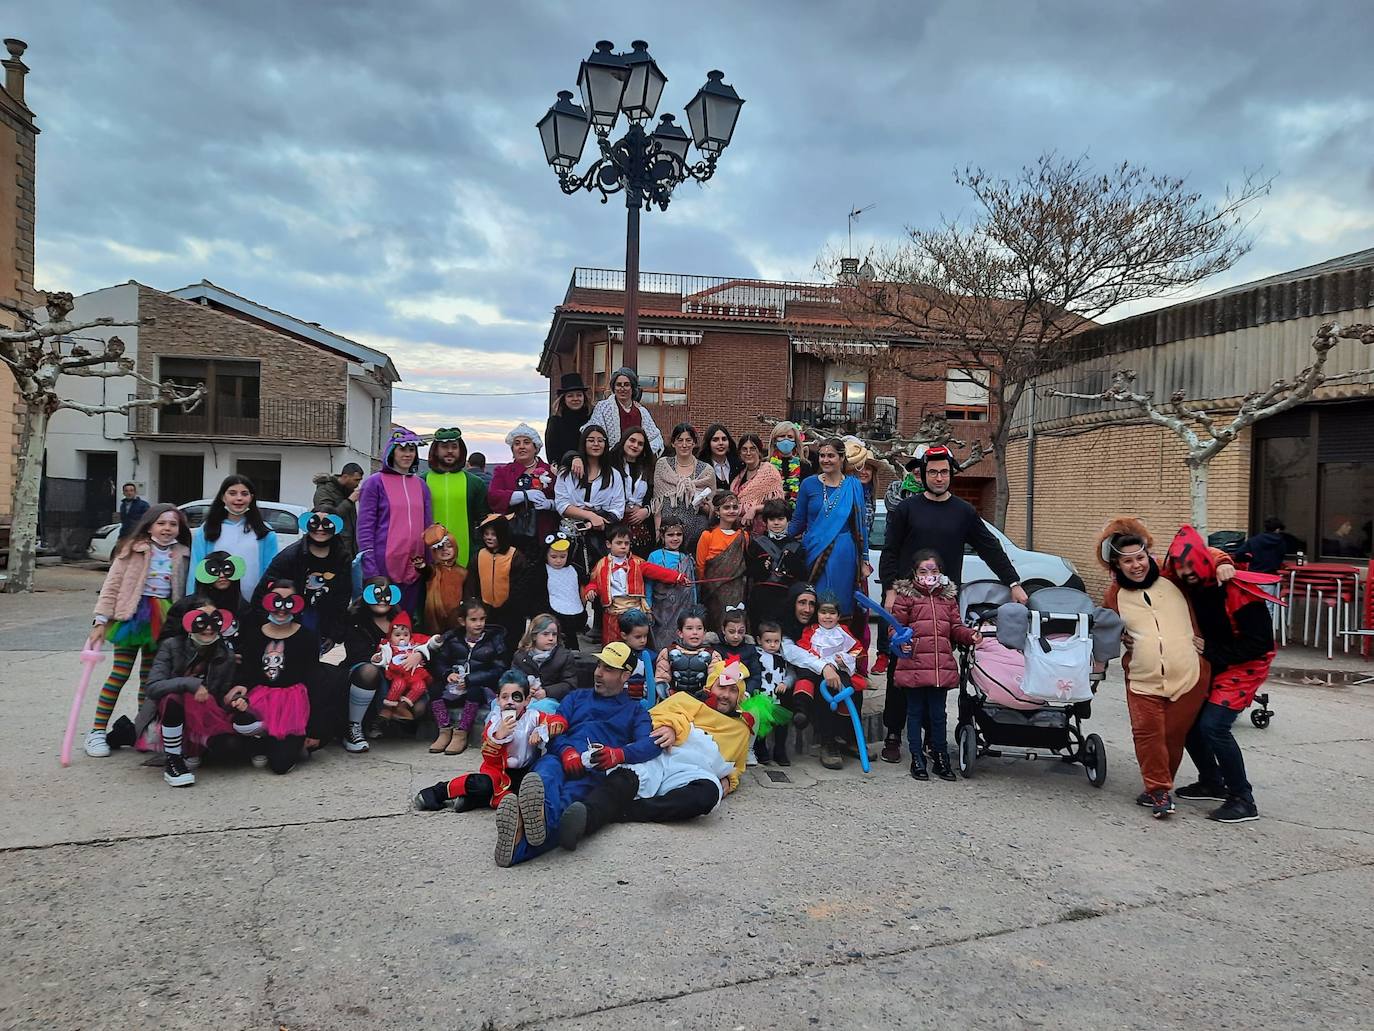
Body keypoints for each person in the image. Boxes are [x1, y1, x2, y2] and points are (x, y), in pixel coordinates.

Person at [878, 445, 1026, 761]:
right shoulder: (907, 509)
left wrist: (1013, 583)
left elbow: (990, 548)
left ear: (951, 474)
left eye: (944, 472)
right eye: (933, 472)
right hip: (907, 600)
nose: (939, 477)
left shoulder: (963, 512)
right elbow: (890, 551)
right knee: (900, 667)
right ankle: (893, 733)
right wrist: (891, 592)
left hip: (944, 601)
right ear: (923, 474)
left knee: (937, 668)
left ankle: (934, 738)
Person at [492, 641, 668, 867]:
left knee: (568, 810)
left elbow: (650, 744)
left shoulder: (635, 711)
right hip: (558, 757)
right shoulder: (576, 697)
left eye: (608, 669)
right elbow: (555, 729)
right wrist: (565, 751)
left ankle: (520, 837)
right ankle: (531, 828)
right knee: (543, 779)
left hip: (593, 770)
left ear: (625, 676)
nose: (599, 673)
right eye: (599, 666)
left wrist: (618, 755)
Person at [557, 657, 753, 850]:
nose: (726, 695)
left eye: (733, 690)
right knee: (624, 779)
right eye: (722, 687)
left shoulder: (741, 728)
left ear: (740, 695)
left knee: (709, 794)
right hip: (661, 755)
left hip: (693, 771)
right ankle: (586, 819)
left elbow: (737, 765)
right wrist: (671, 727)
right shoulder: (685, 699)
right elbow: (651, 718)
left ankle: (622, 813)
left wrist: (729, 781)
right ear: (711, 687)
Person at [1098, 518, 1209, 819]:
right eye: (1128, 561)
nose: (1137, 565)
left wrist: (1223, 561)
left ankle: (1158, 786)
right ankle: (1159, 790)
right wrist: (1118, 638)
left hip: (1189, 676)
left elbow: (1205, 558)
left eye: (1140, 558)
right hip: (1142, 679)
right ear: (1116, 566)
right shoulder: (1114, 595)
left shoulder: (1174, 578)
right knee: (1147, 734)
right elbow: (1107, 629)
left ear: (1149, 555)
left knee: (1172, 736)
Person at [1167, 527, 1274, 824]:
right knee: (1188, 721)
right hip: (1211, 659)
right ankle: (1212, 781)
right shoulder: (1185, 582)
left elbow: (1260, 643)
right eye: (1180, 565)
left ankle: (1243, 798)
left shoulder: (1236, 589)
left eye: (1191, 564)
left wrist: (1222, 560)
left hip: (1245, 663)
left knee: (1214, 726)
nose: (1186, 571)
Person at [83, 504, 192, 758]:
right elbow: (112, 585)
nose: (167, 528)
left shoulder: (184, 553)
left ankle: (143, 728)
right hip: (132, 617)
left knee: (150, 679)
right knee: (119, 674)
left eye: (173, 524)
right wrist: (100, 621)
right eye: (161, 523)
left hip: (165, 620)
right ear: (150, 524)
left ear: (180, 529)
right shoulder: (132, 549)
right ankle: (97, 731)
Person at [413, 670, 567, 813]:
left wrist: (542, 730)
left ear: (527, 700)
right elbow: (489, 757)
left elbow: (559, 721)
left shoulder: (533, 716)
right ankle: (437, 792)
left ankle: (470, 800)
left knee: (531, 791)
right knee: (484, 785)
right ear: (498, 699)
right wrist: (500, 736)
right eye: (505, 697)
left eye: (516, 697)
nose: (510, 702)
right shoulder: (494, 721)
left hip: (526, 771)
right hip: (497, 772)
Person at [889, 549, 981, 780]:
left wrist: (970, 635)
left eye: (933, 570)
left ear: (941, 572)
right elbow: (895, 627)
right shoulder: (906, 597)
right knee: (915, 712)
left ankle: (940, 756)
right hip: (915, 664)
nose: (928, 575)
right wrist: (901, 641)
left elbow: (955, 627)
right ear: (914, 573)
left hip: (940, 667)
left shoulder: (947, 599)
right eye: (922, 571)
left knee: (938, 714)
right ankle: (917, 757)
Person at [135, 599, 239, 787]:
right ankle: (173, 760)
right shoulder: (171, 645)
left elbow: (221, 694)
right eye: (201, 621)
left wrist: (236, 699)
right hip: (167, 715)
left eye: (214, 621)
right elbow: (153, 686)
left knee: (229, 750)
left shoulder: (226, 655)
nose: (208, 628)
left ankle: (194, 748)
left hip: (204, 716)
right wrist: (190, 683)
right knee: (172, 697)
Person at [229, 580, 318, 775]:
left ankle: (286, 745)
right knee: (240, 723)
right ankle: (261, 740)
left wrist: (314, 728)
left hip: (293, 702)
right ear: (267, 602)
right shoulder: (254, 635)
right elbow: (248, 671)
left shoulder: (307, 637)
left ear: (297, 603)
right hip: (262, 697)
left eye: (289, 602)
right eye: (276, 601)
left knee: (280, 765)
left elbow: (314, 678)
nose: (282, 608)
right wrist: (242, 690)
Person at [779, 582, 863, 770]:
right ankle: (828, 742)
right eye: (802, 603)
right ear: (793, 603)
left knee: (854, 689)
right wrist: (825, 667)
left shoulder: (824, 626)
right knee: (823, 686)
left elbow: (853, 648)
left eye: (811, 604)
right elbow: (794, 654)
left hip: (828, 669)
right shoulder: (784, 626)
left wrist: (842, 662)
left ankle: (849, 738)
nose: (807, 609)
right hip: (793, 681)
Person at [788, 437, 870, 623]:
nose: (825, 460)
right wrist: (777, 539)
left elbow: (860, 525)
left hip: (844, 553)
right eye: (822, 455)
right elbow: (798, 521)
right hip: (813, 550)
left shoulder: (853, 485)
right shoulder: (809, 484)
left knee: (840, 602)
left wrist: (864, 560)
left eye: (831, 456)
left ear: (841, 458)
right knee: (814, 599)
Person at [357, 427, 432, 614]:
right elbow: (365, 527)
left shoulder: (421, 485)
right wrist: (370, 566)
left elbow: (428, 526)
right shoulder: (374, 483)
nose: (407, 454)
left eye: (411, 450)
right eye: (402, 449)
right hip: (383, 565)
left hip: (414, 566)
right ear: (392, 451)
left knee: (405, 621)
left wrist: (429, 563)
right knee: (381, 620)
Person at [251, 508, 351, 650]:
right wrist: (264, 624)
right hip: (290, 614)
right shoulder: (290, 556)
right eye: (315, 523)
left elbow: (342, 596)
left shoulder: (342, 557)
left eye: (326, 524)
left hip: (321, 616)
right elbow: (263, 590)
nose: (320, 528)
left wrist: (334, 633)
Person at [416, 598, 506, 755]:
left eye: (482, 619)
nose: (479, 624)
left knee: (475, 691)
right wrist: (448, 674)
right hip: (455, 688)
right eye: (473, 619)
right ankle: (444, 730)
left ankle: (461, 733)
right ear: (462, 621)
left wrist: (471, 680)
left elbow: (499, 669)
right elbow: (439, 662)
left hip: (480, 689)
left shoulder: (493, 640)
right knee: (435, 688)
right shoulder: (452, 639)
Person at [582, 524, 685, 644]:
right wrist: (590, 590)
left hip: (634, 610)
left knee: (635, 642)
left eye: (626, 543)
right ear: (608, 544)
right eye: (619, 543)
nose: (623, 546)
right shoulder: (601, 564)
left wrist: (678, 577)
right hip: (612, 611)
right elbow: (593, 582)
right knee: (612, 643)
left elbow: (658, 571)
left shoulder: (637, 562)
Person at [335, 576, 403, 754]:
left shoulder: (401, 620)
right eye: (376, 594)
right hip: (359, 672)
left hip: (395, 674)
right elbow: (356, 653)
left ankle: (377, 722)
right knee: (369, 671)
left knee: (418, 707)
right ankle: (353, 727)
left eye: (387, 594)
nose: (382, 599)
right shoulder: (356, 619)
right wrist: (378, 657)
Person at [187, 475, 279, 603]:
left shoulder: (264, 532)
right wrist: (194, 600)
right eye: (232, 493)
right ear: (223, 497)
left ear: (251, 498)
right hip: (212, 604)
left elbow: (271, 572)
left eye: (244, 493)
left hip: (253, 604)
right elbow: (196, 569)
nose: (239, 498)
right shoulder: (207, 529)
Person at [554, 424, 626, 576]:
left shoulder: (614, 475)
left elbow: (618, 509)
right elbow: (561, 505)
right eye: (591, 440)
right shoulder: (566, 473)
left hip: (600, 537)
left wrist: (598, 520)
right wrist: (589, 516)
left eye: (600, 440)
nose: (596, 444)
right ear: (583, 443)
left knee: (598, 579)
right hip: (569, 535)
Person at [423, 426, 489, 577]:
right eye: (444, 447)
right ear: (435, 450)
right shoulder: (422, 481)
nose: (450, 451)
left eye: (454, 447)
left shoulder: (474, 483)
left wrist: (477, 551)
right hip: (429, 560)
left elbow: (483, 521)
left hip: (466, 558)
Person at [488, 424, 557, 552]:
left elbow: (565, 500)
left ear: (535, 447)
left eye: (526, 442)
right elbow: (493, 496)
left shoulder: (551, 471)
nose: (521, 447)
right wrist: (522, 495)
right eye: (517, 443)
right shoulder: (503, 471)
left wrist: (551, 504)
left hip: (545, 535)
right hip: (512, 535)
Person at [469, 513, 529, 656]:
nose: (489, 537)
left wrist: (511, 605)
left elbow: (520, 585)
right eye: (486, 534)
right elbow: (472, 582)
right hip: (486, 610)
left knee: (509, 645)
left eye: (494, 534)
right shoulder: (479, 555)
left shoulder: (515, 556)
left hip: (510, 611)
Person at [745, 498, 806, 634]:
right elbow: (749, 572)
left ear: (788, 520)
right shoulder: (757, 543)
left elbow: (802, 576)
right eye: (772, 519)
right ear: (765, 522)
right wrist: (761, 567)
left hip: (785, 600)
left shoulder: (797, 547)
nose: (776, 523)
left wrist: (793, 563)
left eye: (780, 518)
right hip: (761, 600)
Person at [653, 423, 716, 551]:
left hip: (697, 534)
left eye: (688, 440)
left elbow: (713, 508)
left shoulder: (706, 471)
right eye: (680, 440)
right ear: (673, 443)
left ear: (694, 443)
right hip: (670, 536)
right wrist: (658, 530)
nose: (684, 445)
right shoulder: (663, 465)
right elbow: (657, 503)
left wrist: (705, 505)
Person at [521, 532, 587, 649]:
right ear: (546, 554)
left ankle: (572, 649)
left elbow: (581, 589)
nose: (558, 561)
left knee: (570, 640)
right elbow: (531, 593)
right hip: (548, 613)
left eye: (563, 556)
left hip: (571, 613)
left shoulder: (575, 570)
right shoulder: (538, 571)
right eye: (553, 556)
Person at [696, 491, 750, 635]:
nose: (731, 511)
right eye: (726, 507)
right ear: (717, 511)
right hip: (713, 592)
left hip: (737, 589)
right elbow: (700, 566)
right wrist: (706, 587)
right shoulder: (707, 535)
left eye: (735, 507)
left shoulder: (743, 536)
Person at [582, 366, 664, 455]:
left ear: (632, 388)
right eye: (618, 385)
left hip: (636, 462)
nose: (622, 388)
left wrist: (642, 453)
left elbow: (655, 438)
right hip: (610, 460)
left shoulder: (641, 411)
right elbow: (593, 433)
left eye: (626, 385)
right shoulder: (602, 407)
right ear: (614, 387)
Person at [646, 517, 697, 651]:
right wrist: (647, 606)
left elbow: (692, 588)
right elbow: (649, 584)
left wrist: (694, 608)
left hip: (682, 608)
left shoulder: (686, 559)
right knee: (659, 644)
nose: (675, 538)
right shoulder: (654, 556)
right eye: (670, 535)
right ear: (662, 536)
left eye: (678, 534)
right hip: (660, 609)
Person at [513, 614, 580, 711]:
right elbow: (512, 679)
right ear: (534, 636)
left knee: (542, 708)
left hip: (553, 701)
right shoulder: (521, 656)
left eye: (554, 634)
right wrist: (525, 689)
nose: (551, 638)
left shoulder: (564, 656)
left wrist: (546, 692)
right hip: (524, 698)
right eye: (545, 634)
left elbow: (570, 684)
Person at [750, 621, 794, 765]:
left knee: (781, 725)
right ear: (759, 640)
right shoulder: (756, 654)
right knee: (761, 724)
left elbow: (791, 674)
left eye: (776, 641)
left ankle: (779, 750)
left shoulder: (783, 656)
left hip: (777, 697)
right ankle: (760, 749)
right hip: (761, 696)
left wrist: (785, 683)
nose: (772, 645)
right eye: (768, 641)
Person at [374, 612, 432, 719]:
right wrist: (377, 659)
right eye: (397, 635)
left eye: (406, 635)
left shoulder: (414, 645)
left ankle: (402, 706)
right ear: (390, 636)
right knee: (399, 685)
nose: (402, 638)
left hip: (414, 674)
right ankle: (388, 708)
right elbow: (381, 658)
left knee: (420, 686)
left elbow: (431, 642)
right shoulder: (388, 646)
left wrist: (419, 654)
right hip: (398, 673)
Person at [654, 606, 721, 696]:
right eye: (689, 628)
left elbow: (715, 681)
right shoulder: (667, 653)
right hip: (673, 701)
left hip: (701, 702)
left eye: (699, 628)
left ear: (704, 633)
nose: (695, 632)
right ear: (680, 633)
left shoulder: (713, 655)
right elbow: (661, 680)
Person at [611, 426, 657, 556]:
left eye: (640, 444)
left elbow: (656, 496)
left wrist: (646, 511)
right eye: (632, 440)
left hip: (641, 529)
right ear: (624, 441)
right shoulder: (611, 463)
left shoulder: (649, 467)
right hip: (616, 526)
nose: (635, 445)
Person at [731, 433, 785, 535]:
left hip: (762, 532)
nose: (748, 453)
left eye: (752, 449)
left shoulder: (769, 471)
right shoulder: (738, 475)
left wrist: (754, 509)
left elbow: (779, 504)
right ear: (740, 453)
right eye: (744, 449)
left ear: (759, 451)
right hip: (738, 529)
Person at [418, 522, 466, 633]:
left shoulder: (463, 572)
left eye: (449, 546)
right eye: (440, 548)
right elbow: (426, 572)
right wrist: (421, 567)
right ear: (434, 552)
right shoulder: (434, 570)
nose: (445, 550)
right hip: (434, 621)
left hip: (456, 621)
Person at [545, 371, 592, 470]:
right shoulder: (555, 422)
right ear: (564, 399)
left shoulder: (593, 418)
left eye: (579, 395)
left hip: (591, 470)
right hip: (566, 472)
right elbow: (552, 454)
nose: (575, 399)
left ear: (584, 397)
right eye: (570, 395)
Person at [311, 463, 363, 550]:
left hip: (350, 546)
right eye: (356, 480)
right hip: (333, 545)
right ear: (345, 477)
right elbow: (326, 517)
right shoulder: (324, 491)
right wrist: (350, 501)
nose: (358, 484)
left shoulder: (347, 490)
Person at [617, 607, 660, 707]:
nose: (643, 640)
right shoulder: (616, 655)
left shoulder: (652, 656)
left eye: (645, 636)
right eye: (638, 637)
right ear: (624, 635)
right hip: (620, 702)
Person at [767, 421, 811, 512]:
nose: (786, 440)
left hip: (797, 514)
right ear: (775, 440)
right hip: (773, 513)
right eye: (782, 436)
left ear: (795, 441)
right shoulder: (767, 464)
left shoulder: (804, 465)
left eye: (790, 437)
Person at [699, 423, 740, 490]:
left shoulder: (738, 466)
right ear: (708, 443)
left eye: (724, 439)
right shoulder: (701, 468)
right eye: (715, 440)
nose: (721, 443)